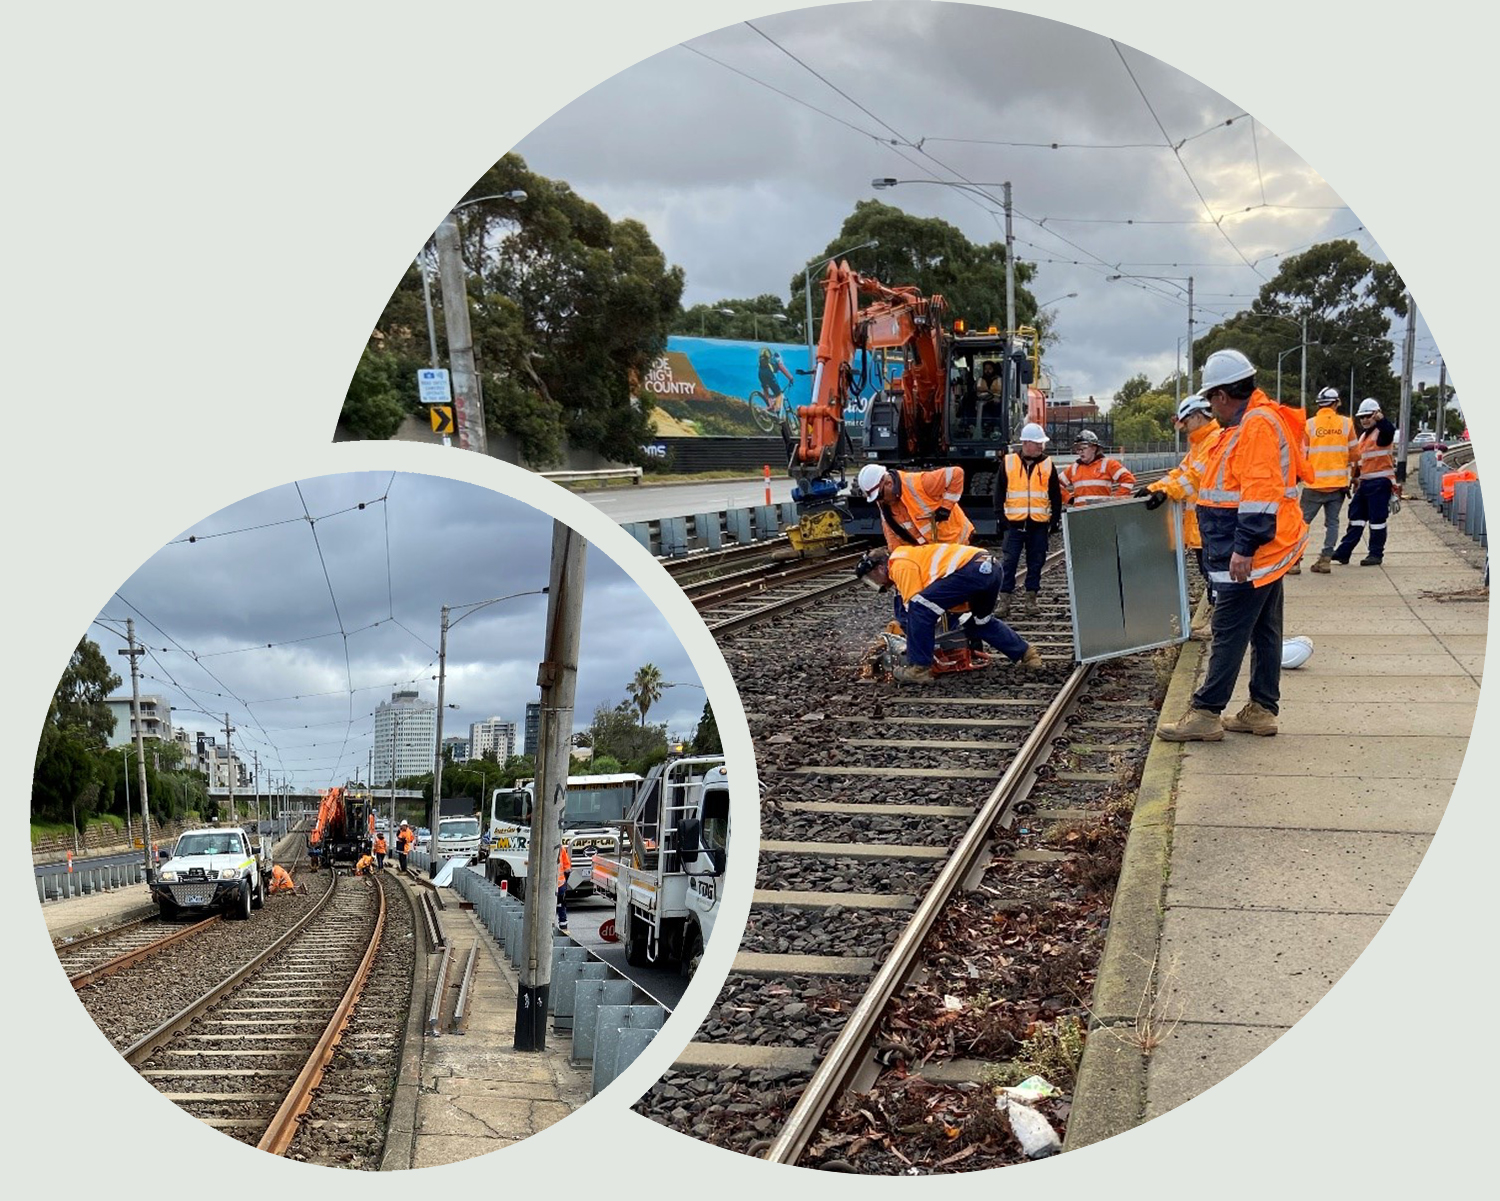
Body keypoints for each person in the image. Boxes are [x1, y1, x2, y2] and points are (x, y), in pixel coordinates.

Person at [1158, 349, 1308, 741]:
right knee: (1265, 629)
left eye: (1211, 399)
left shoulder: (1256, 425)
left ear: (1223, 395)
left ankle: (1206, 713)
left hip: (1254, 551)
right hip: (1268, 547)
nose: (1211, 407)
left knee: (1228, 629)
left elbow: (1259, 494)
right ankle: (1261, 708)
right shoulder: (1252, 422)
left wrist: (1244, 548)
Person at [854, 544, 1043, 682]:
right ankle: (1027, 655)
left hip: (971, 570)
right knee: (979, 621)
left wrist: (912, 645)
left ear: (880, 567)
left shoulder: (899, 563)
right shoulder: (910, 557)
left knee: (919, 608)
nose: (876, 583)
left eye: (872, 578)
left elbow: (915, 607)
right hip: (990, 569)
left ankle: (919, 669)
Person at [1139, 393, 1225, 640]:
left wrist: (1166, 491)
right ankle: (1217, 623)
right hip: (1203, 523)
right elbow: (1181, 472)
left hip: (1212, 521)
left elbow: (1195, 478)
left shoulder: (1214, 441)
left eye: (1185, 421)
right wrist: (1154, 488)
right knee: (1210, 573)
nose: (1183, 427)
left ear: (1198, 416)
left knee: (1216, 576)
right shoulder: (1200, 442)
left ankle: (1220, 626)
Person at [992, 422, 1061, 619]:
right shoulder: (1008, 463)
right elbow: (999, 492)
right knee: (1009, 563)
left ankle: (1031, 600)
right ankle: (1004, 601)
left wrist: (1053, 521)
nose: (1040, 447)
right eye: (1037, 443)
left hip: (1038, 524)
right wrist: (1001, 518)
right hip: (1014, 524)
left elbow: (1055, 495)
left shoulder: (1048, 464)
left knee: (1036, 562)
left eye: (1041, 443)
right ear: (1026, 443)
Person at [1295, 386, 1358, 574]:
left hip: (1313, 485)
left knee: (1301, 523)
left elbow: (1301, 455)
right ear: (1336, 403)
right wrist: (1352, 476)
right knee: (1332, 523)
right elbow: (1355, 454)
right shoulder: (1347, 424)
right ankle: (1325, 560)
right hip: (1338, 485)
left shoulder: (1309, 425)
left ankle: (1295, 561)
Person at [1331, 398, 1397, 566]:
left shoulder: (1382, 434)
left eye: (1368, 416)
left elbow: (1389, 430)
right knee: (1356, 518)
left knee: (1377, 521)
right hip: (1365, 484)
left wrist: (1382, 419)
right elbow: (1361, 461)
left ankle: (1375, 554)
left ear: (1377, 415)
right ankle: (1343, 552)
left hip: (1380, 483)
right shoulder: (1363, 437)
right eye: (1362, 417)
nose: (1365, 420)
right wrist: (1355, 478)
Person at [857, 463, 974, 552]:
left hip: (957, 543)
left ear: (889, 484)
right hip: (933, 551)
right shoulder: (884, 502)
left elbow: (956, 473)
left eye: (879, 496)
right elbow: (891, 532)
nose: (880, 501)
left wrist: (946, 508)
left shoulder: (920, 483)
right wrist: (897, 559)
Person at [1059, 430, 1135, 506]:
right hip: (1080, 514)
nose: (1080, 452)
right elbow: (1055, 484)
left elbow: (1128, 479)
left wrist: (1117, 500)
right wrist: (1068, 498)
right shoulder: (1074, 468)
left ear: (1094, 448)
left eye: (1084, 448)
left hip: (1101, 513)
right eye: (1078, 449)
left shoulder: (1108, 464)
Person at [757, 347, 794, 418]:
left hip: (760, 373)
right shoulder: (777, 360)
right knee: (779, 394)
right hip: (769, 374)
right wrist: (791, 378)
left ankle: (769, 407)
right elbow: (784, 370)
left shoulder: (767, 360)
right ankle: (777, 411)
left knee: (766, 390)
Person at [556, 844, 572, 935]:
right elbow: (567, 868)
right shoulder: (560, 848)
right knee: (561, 905)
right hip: (560, 883)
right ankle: (564, 928)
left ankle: (546, 927)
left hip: (546, 885)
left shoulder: (541, 845)